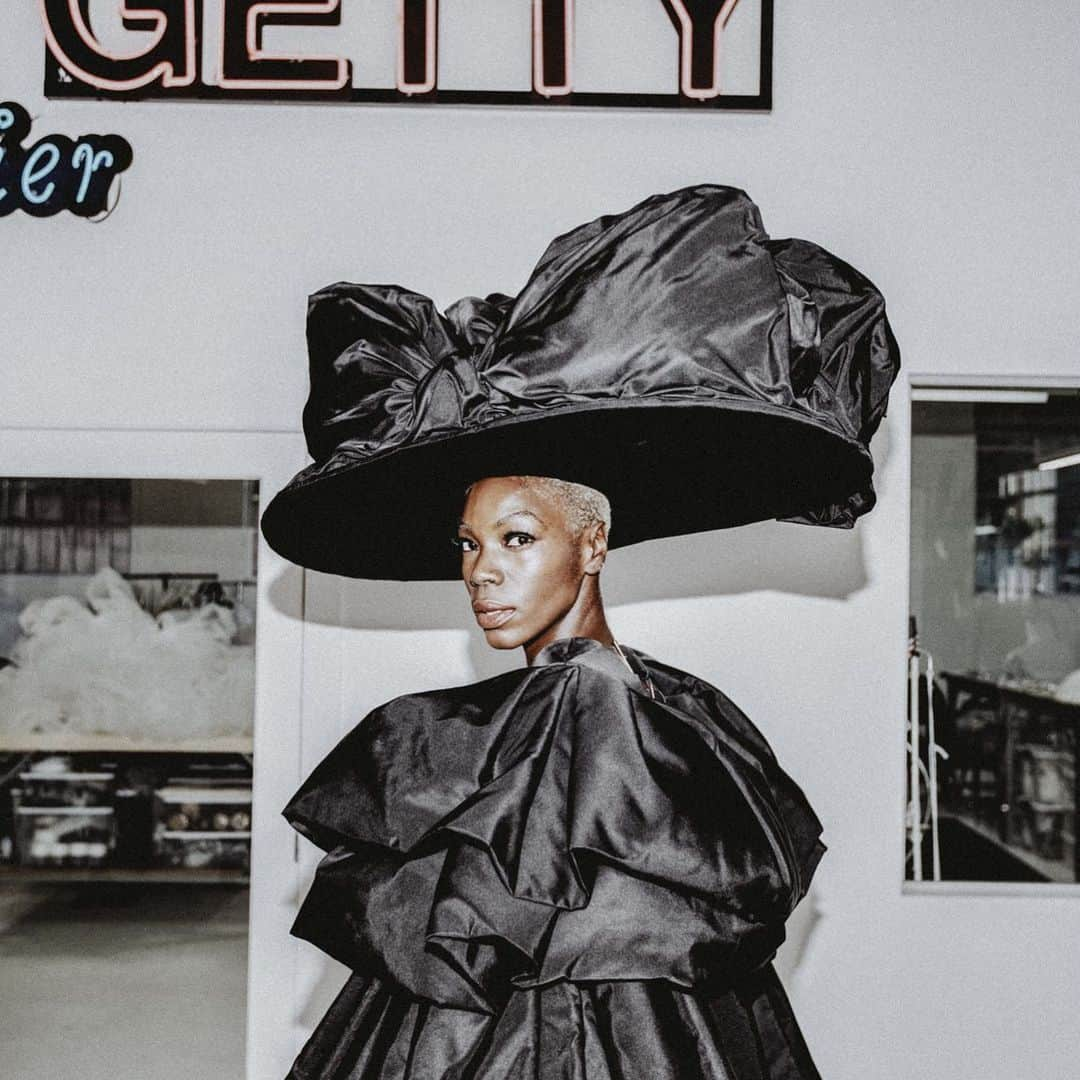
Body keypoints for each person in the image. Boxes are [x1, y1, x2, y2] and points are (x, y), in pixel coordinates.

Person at [261, 184, 901, 1078]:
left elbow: (610, 1002)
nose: (482, 569)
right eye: (470, 543)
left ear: (592, 543)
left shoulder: (629, 723)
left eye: (518, 538)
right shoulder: (511, 729)